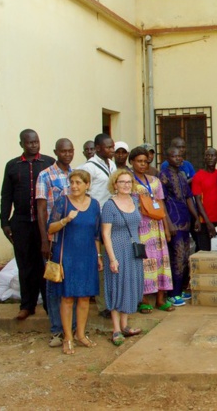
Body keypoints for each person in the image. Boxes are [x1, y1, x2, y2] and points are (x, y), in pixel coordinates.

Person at [0, 129, 55, 320]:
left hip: (43, 224)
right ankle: (27, 305)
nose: (34, 145)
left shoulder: (48, 163)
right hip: (21, 222)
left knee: (44, 264)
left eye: (36, 142)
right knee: (25, 265)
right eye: (29, 143)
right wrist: (4, 221)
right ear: (21, 144)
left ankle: (49, 306)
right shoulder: (13, 166)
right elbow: (6, 195)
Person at [47, 170, 101, 355]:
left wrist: (99, 256)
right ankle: (68, 337)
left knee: (85, 298)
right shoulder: (63, 202)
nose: (75, 186)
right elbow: (50, 228)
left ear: (87, 185)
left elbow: (96, 234)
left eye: (79, 182)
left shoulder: (94, 204)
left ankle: (81, 335)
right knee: (67, 298)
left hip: (87, 256)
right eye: (72, 182)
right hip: (67, 256)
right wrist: (65, 220)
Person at [36, 138, 75, 347]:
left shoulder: (75, 175)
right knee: (53, 284)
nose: (67, 154)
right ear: (56, 152)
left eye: (70, 151)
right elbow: (41, 210)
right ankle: (56, 331)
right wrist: (45, 240)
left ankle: (74, 327)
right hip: (54, 238)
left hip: (74, 238)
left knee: (72, 283)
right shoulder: (45, 175)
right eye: (63, 151)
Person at [101, 169, 144, 346]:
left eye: (128, 182)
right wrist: (111, 258)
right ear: (115, 185)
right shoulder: (110, 205)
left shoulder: (134, 200)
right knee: (116, 287)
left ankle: (125, 326)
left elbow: (137, 226)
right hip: (117, 249)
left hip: (133, 250)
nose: (126, 185)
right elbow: (105, 233)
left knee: (130, 285)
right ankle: (116, 329)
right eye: (122, 182)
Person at [129, 147, 175, 313]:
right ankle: (144, 300)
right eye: (139, 161)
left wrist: (166, 228)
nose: (142, 164)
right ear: (132, 162)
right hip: (140, 227)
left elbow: (160, 204)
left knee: (161, 260)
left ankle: (161, 299)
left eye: (145, 162)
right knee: (144, 262)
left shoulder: (154, 181)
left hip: (156, 226)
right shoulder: (129, 182)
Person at [78, 133, 116, 319]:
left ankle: (113, 299)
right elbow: (82, 192)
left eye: (113, 146)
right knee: (99, 260)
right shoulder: (88, 168)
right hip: (96, 218)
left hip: (111, 217)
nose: (112, 150)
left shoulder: (112, 164)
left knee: (111, 260)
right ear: (98, 148)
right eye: (108, 147)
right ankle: (103, 305)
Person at [159, 147, 202, 307]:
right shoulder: (163, 176)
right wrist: (168, 223)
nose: (178, 158)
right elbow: (161, 200)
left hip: (185, 220)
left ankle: (179, 289)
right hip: (173, 220)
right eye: (174, 156)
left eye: (180, 156)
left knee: (184, 257)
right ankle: (172, 293)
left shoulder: (182, 176)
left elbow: (189, 198)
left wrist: (196, 218)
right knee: (176, 256)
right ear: (167, 158)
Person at [192, 148, 217, 251]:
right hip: (205, 223)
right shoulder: (198, 176)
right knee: (205, 252)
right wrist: (208, 222)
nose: (210, 158)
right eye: (208, 155)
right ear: (204, 158)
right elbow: (198, 200)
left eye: (213, 156)